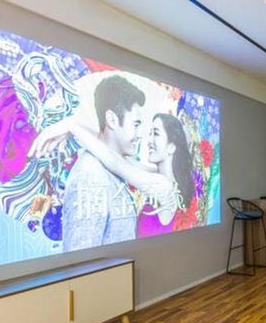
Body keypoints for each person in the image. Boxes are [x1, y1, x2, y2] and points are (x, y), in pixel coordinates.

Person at [32, 102, 194, 239]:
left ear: (171, 147)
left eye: (156, 134)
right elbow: (114, 151)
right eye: (150, 133)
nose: (148, 140)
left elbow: (117, 163)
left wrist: (71, 127)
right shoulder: (155, 174)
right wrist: (72, 128)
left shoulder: (164, 187)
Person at [43, 75, 145, 251]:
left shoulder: (112, 168)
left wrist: (74, 128)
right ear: (112, 120)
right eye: (136, 124)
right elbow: (81, 256)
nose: (139, 134)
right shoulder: (91, 177)